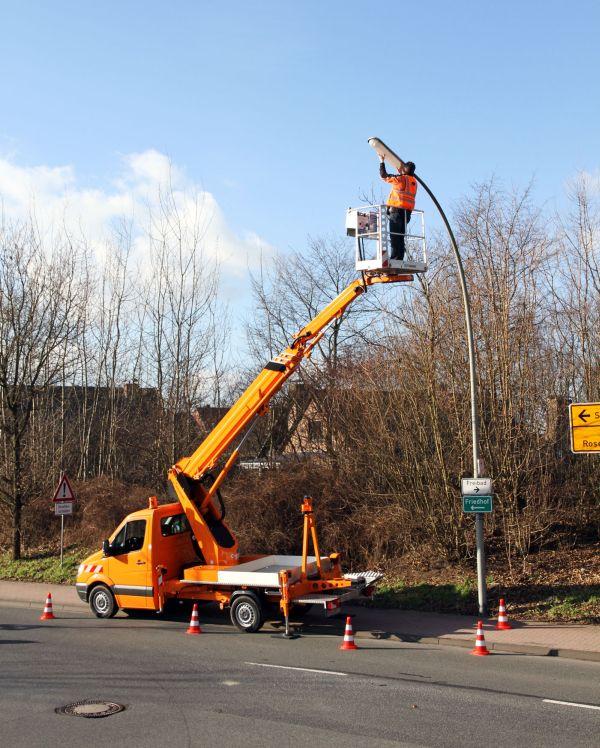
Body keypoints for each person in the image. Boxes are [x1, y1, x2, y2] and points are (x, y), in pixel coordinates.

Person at [379, 155, 417, 261]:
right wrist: (401, 172)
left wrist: (381, 161)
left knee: (395, 237)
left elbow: (383, 175)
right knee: (400, 237)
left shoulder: (400, 179)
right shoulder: (413, 182)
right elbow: (405, 182)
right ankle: (399, 258)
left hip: (396, 212)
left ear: (404, 170)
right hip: (406, 214)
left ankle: (395, 258)